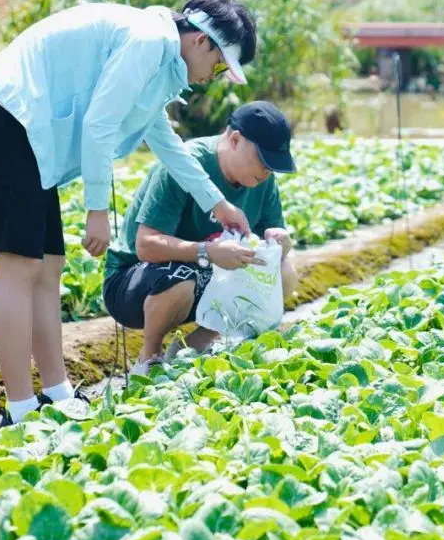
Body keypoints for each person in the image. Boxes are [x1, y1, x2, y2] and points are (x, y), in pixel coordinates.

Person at [0, 0, 256, 427]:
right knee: (19, 265)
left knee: (48, 265)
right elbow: (99, 125)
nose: (212, 77)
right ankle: (20, 409)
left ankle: (57, 394)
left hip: (28, 130)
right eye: (218, 67)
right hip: (10, 118)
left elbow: (165, 142)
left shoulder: (159, 58)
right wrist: (97, 209)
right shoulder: (147, 42)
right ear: (201, 41)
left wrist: (217, 203)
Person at [103, 102, 299, 374]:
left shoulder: (262, 181)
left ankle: (201, 340)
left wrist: (281, 242)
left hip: (207, 277)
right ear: (235, 140)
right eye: (264, 161)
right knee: (182, 277)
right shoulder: (186, 163)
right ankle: (149, 358)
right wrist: (208, 252)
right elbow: (145, 246)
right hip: (133, 281)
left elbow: (274, 237)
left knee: (284, 270)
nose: (268, 172)